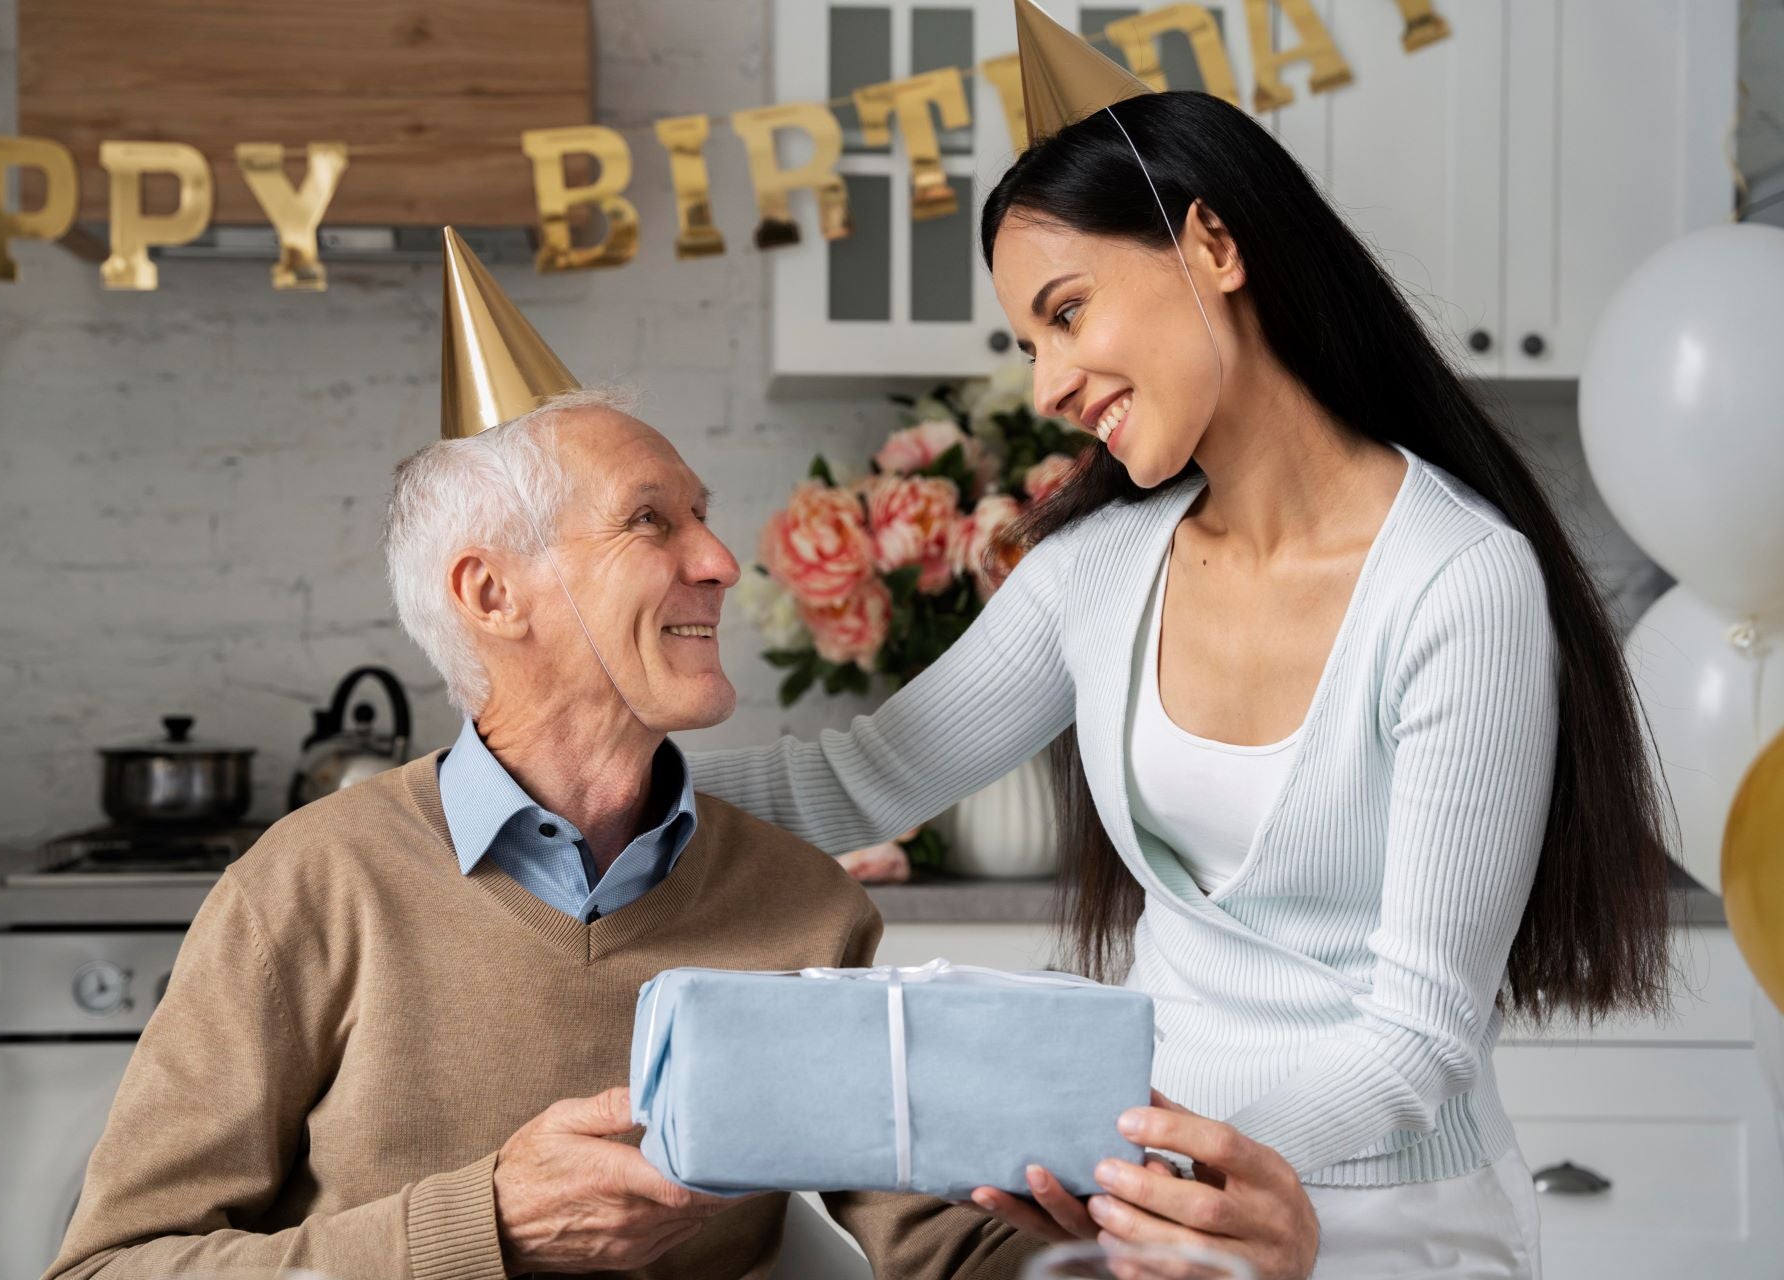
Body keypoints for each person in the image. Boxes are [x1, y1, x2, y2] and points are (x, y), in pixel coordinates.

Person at [688, 21, 1673, 1280]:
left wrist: (1134, 1149)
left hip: (1389, 1218)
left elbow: (1416, 1042)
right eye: (1027, 342)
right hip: (1158, 1202)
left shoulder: (1456, 584)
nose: (1046, 381)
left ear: (1212, 244)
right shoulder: (1098, 571)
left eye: (1065, 311)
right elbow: (859, 780)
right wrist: (592, 789)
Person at [45, 245, 1056, 1279]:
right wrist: (482, 1225)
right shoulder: (307, 888)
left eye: (701, 516)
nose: (717, 560)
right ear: (491, 595)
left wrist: (1100, 1233)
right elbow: (107, 1268)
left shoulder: (801, 904)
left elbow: (943, 1243)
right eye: (651, 519)